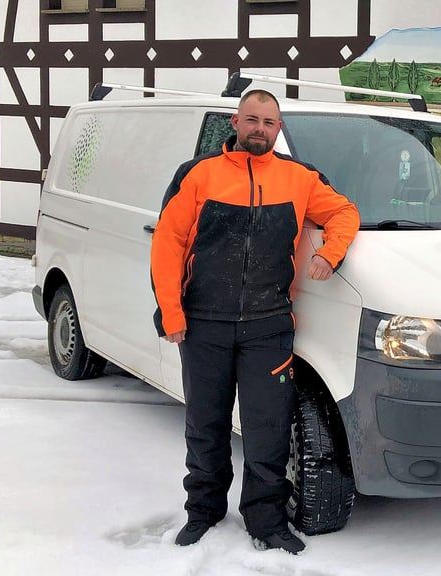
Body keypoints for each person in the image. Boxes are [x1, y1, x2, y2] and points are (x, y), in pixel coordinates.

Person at [150, 89, 360, 554]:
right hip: (204, 324)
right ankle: (202, 512)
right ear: (235, 122)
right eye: (251, 120)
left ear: (278, 129)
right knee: (205, 426)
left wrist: (329, 253)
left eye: (268, 122)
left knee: (267, 429)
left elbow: (345, 212)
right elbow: (167, 243)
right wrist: (171, 311)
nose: (259, 129)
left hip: (268, 326)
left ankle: (265, 519)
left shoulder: (299, 179)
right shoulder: (200, 175)